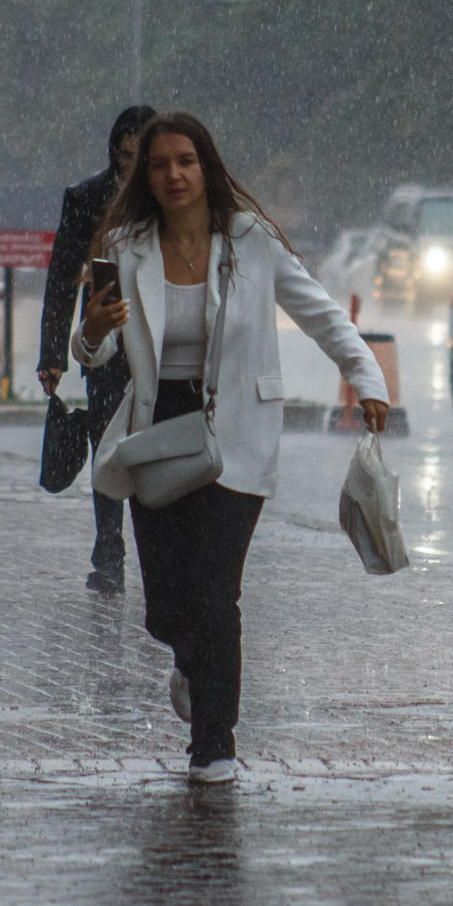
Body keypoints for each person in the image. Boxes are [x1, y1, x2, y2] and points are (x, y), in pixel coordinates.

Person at [75, 111, 388, 783]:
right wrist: (90, 332)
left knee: (217, 594)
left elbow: (321, 314)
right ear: (145, 177)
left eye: (185, 161)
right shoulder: (125, 247)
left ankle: (213, 744)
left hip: (238, 428)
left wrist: (366, 378)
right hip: (158, 428)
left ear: (206, 165)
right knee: (164, 606)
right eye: (159, 165)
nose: (174, 175)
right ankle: (191, 659)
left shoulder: (250, 240)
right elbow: (95, 350)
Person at [39, 104, 158, 594]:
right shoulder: (87, 198)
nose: (130, 166)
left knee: (153, 454)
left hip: (157, 343)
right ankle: (108, 553)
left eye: (139, 155)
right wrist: (52, 354)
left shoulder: (168, 197)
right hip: (103, 343)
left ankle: (155, 553)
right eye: (122, 155)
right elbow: (62, 277)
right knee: (106, 449)